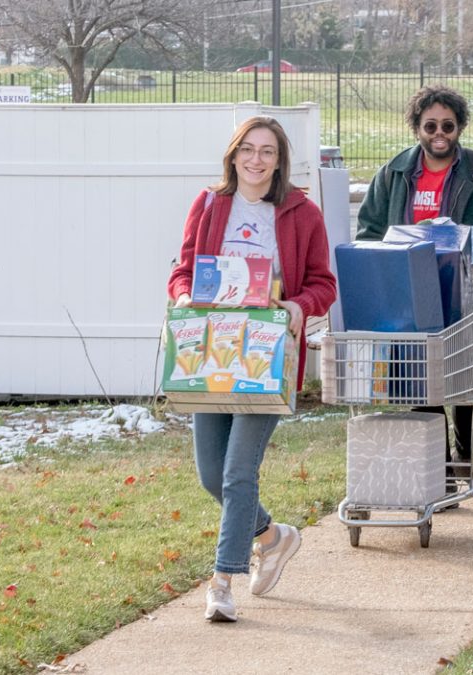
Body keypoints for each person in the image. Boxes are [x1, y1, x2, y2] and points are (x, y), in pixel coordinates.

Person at [168, 116, 338, 622]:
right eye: (248, 149)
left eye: (268, 151)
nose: (257, 160)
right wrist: (184, 297)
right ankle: (272, 535)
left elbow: (323, 284)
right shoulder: (210, 205)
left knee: (239, 473)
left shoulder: (301, 213)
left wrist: (297, 306)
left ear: (280, 160)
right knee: (211, 477)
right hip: (211, 353)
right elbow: (182, 270)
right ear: (234, 154)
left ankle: (221, 582)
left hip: (268, 356)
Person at [356, 85, 473, 496]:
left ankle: (468, 458)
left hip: (469, 297)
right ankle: (439, 468)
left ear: (459, 127)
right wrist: (386, 267)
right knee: (422, 380)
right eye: (430, 125)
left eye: (448, 126)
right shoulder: (394, 173)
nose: (440, 133)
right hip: (411, 299)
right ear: (417, 127)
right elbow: (368, 230)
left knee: (467, 380)